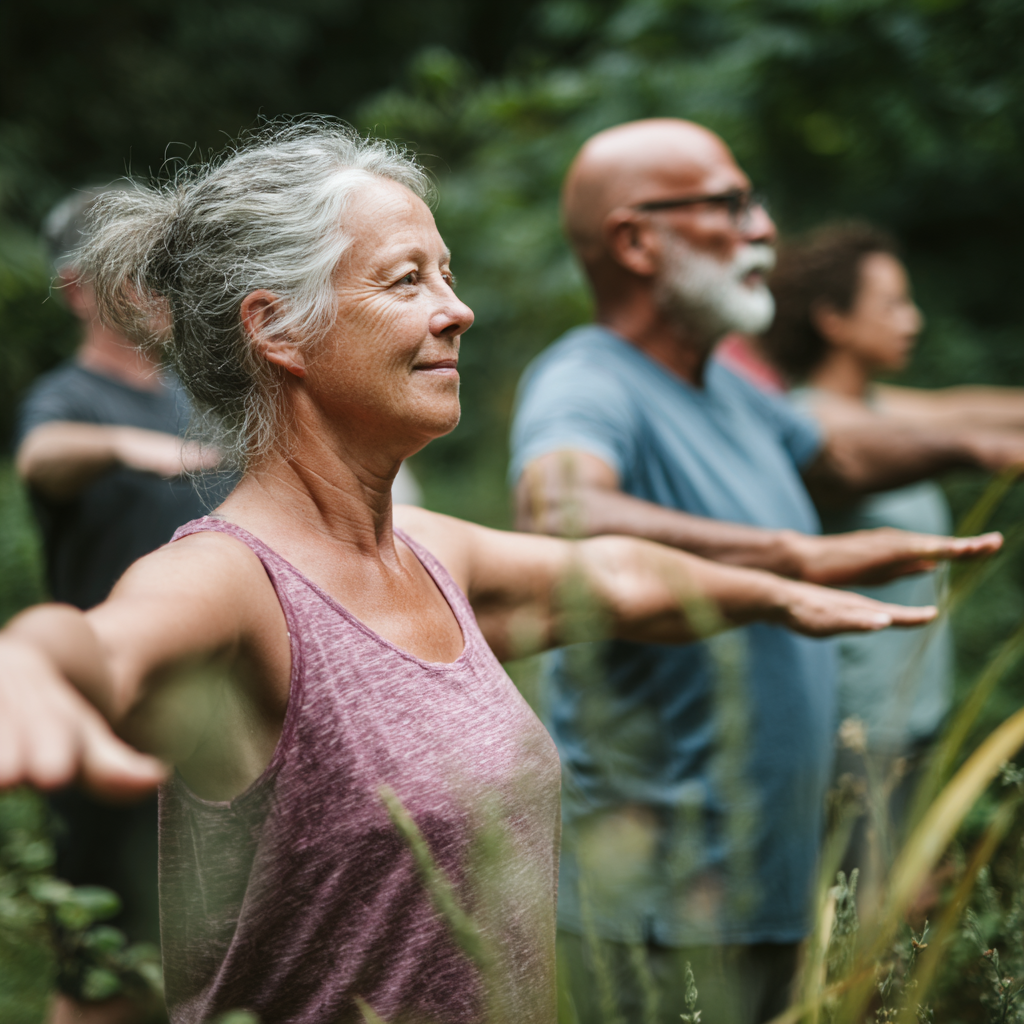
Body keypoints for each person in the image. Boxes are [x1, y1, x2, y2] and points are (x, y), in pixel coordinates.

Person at [0, 123, 993, 1024]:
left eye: (448, 272)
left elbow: (620, 577)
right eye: (406, 281)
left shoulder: (436, 554)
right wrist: (29, 664)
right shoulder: (233, 581)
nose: (458, 309)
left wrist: (789, 571)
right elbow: (98, 641)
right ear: (278, 329)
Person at [509, 118, 1022, 1024]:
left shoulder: (728, 387)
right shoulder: (588, 378)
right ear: (635, 240)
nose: (763, 229)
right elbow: (560, 509)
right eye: (730, 204)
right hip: (664, 915)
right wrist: (795, 557)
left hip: (768, 893)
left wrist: (984, 445)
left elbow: (840, 460)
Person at [15, 188, 235, 1024]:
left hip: (215, 725)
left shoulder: (198, 394)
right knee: (106, 979)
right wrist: (117, 447)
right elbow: (40, 458)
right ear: (79, 289)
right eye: (138, 274)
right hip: (109, 720)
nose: (163, 289)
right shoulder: (69, 400)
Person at [760, 221, 1024, 896]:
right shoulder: (811, 419)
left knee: (899, 910)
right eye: (893, 305)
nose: (914, 320)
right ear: (834, 320)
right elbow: (938, 433)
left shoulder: (877, 405)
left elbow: (967, 409)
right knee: (868, 926)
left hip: (910, 721)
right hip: (857, 732)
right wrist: (979, 448)